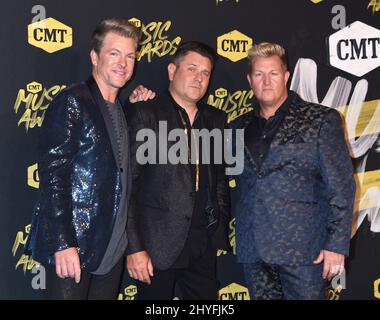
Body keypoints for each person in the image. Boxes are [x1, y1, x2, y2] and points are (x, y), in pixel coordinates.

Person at [26, 18, 155, 300]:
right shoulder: (73, 101)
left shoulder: (120, 109)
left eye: (130, 55)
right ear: (94, 57)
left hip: (110, 250)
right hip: (76, 248)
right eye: (114, 53)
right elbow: (53, 177)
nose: (123, 62)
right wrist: (63, 243)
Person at [230, 42, 356, 300]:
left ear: (286, 76)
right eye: (259, 74)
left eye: (273, 73)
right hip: (254, 251)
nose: (266, 81)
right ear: (249, 80)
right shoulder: (236, 128)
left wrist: (336, 245)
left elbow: (341, 186)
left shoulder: (320, 119)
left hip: (305, 252)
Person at [126, 41, 231, 300]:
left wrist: (216, 225)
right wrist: (134, 248)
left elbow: (218, 180)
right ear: (172, 71)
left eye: (205, 73)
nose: (199, 78)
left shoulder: (215, 119)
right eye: (192, 69)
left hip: (201, 245)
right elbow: (129, 185)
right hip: (156, 246)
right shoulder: (146, 113)